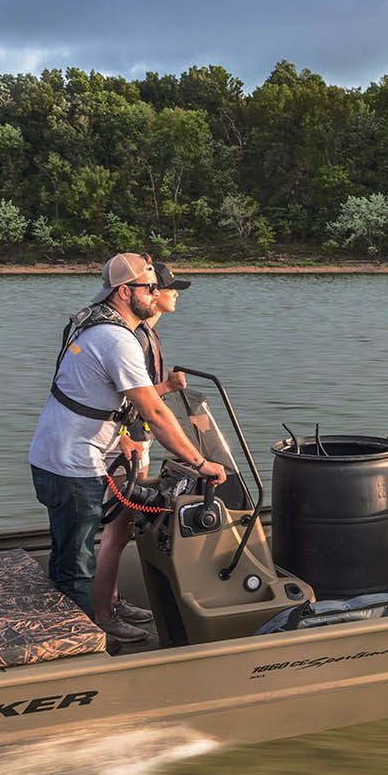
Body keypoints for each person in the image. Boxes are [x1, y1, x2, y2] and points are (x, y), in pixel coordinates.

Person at [28, 253, 224, 628]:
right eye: (149, 288)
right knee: (76, 572)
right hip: (72, 465)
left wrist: (123, 438)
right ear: (123, 292)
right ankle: (84, 653)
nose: (156, 293)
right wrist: (200, 463)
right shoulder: (117, 339)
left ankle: (66, 632)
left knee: (65, 559)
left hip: (55, 458)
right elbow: (155, 412)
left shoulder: (97, 326)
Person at [92, 259, 191, 643]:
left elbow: (144, 394)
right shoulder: (129, 336)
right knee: (117, 533)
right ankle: (104, 613)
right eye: (165, 288)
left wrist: (164, 388)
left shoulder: (145, 333)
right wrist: (128, 439)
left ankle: (114, 602)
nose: (171, 295)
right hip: (127, 444)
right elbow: (134, 402)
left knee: (125, 529)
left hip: (139, 440)